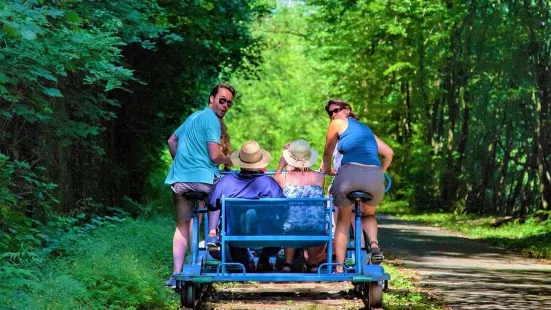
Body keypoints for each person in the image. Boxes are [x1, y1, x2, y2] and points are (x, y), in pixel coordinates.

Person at [164, 83, 235, 287]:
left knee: (182, 225)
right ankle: (212, 234)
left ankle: (176, 274)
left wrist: (181, 164)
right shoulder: (212, 120)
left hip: (180, 182)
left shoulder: (192, 117)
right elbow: (214, 156)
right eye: (222, 100)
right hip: (203, 181)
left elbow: (171, 141)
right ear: (211, 99)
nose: (225, 106)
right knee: (222, 190)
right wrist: (229, 160)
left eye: (228, 103)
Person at [322, 99, 394, 272]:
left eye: (336, 110)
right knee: (368, 215)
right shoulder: (365, 130)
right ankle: (374, 245)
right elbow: (389, 153)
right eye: (330, 113)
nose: (333, 115)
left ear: (347, 110)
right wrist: (380, 173)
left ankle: (339, 268)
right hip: (374, 177)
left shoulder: (337, 124)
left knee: (343, 220)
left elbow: (327, 152)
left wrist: (328, 170)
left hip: (349, 174)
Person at [207, 140, 286, 272]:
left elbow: (213, 205)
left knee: (234, 229)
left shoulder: (226, 182)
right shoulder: (268, 183)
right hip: (266, 235)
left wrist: (212, 230)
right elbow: (284, 209)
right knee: (276, 228)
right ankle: (263, 259)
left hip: (235, 235)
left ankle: (244, 262)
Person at [274, 139, 327, 273]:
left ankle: (287, 263)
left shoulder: (283, 178)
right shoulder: (320, 177)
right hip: (316, 226)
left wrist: (280, 166)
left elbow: (272, 186)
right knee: (312, 219)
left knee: (291, 221)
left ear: (290, 159)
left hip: (291, 226)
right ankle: (313, 262)